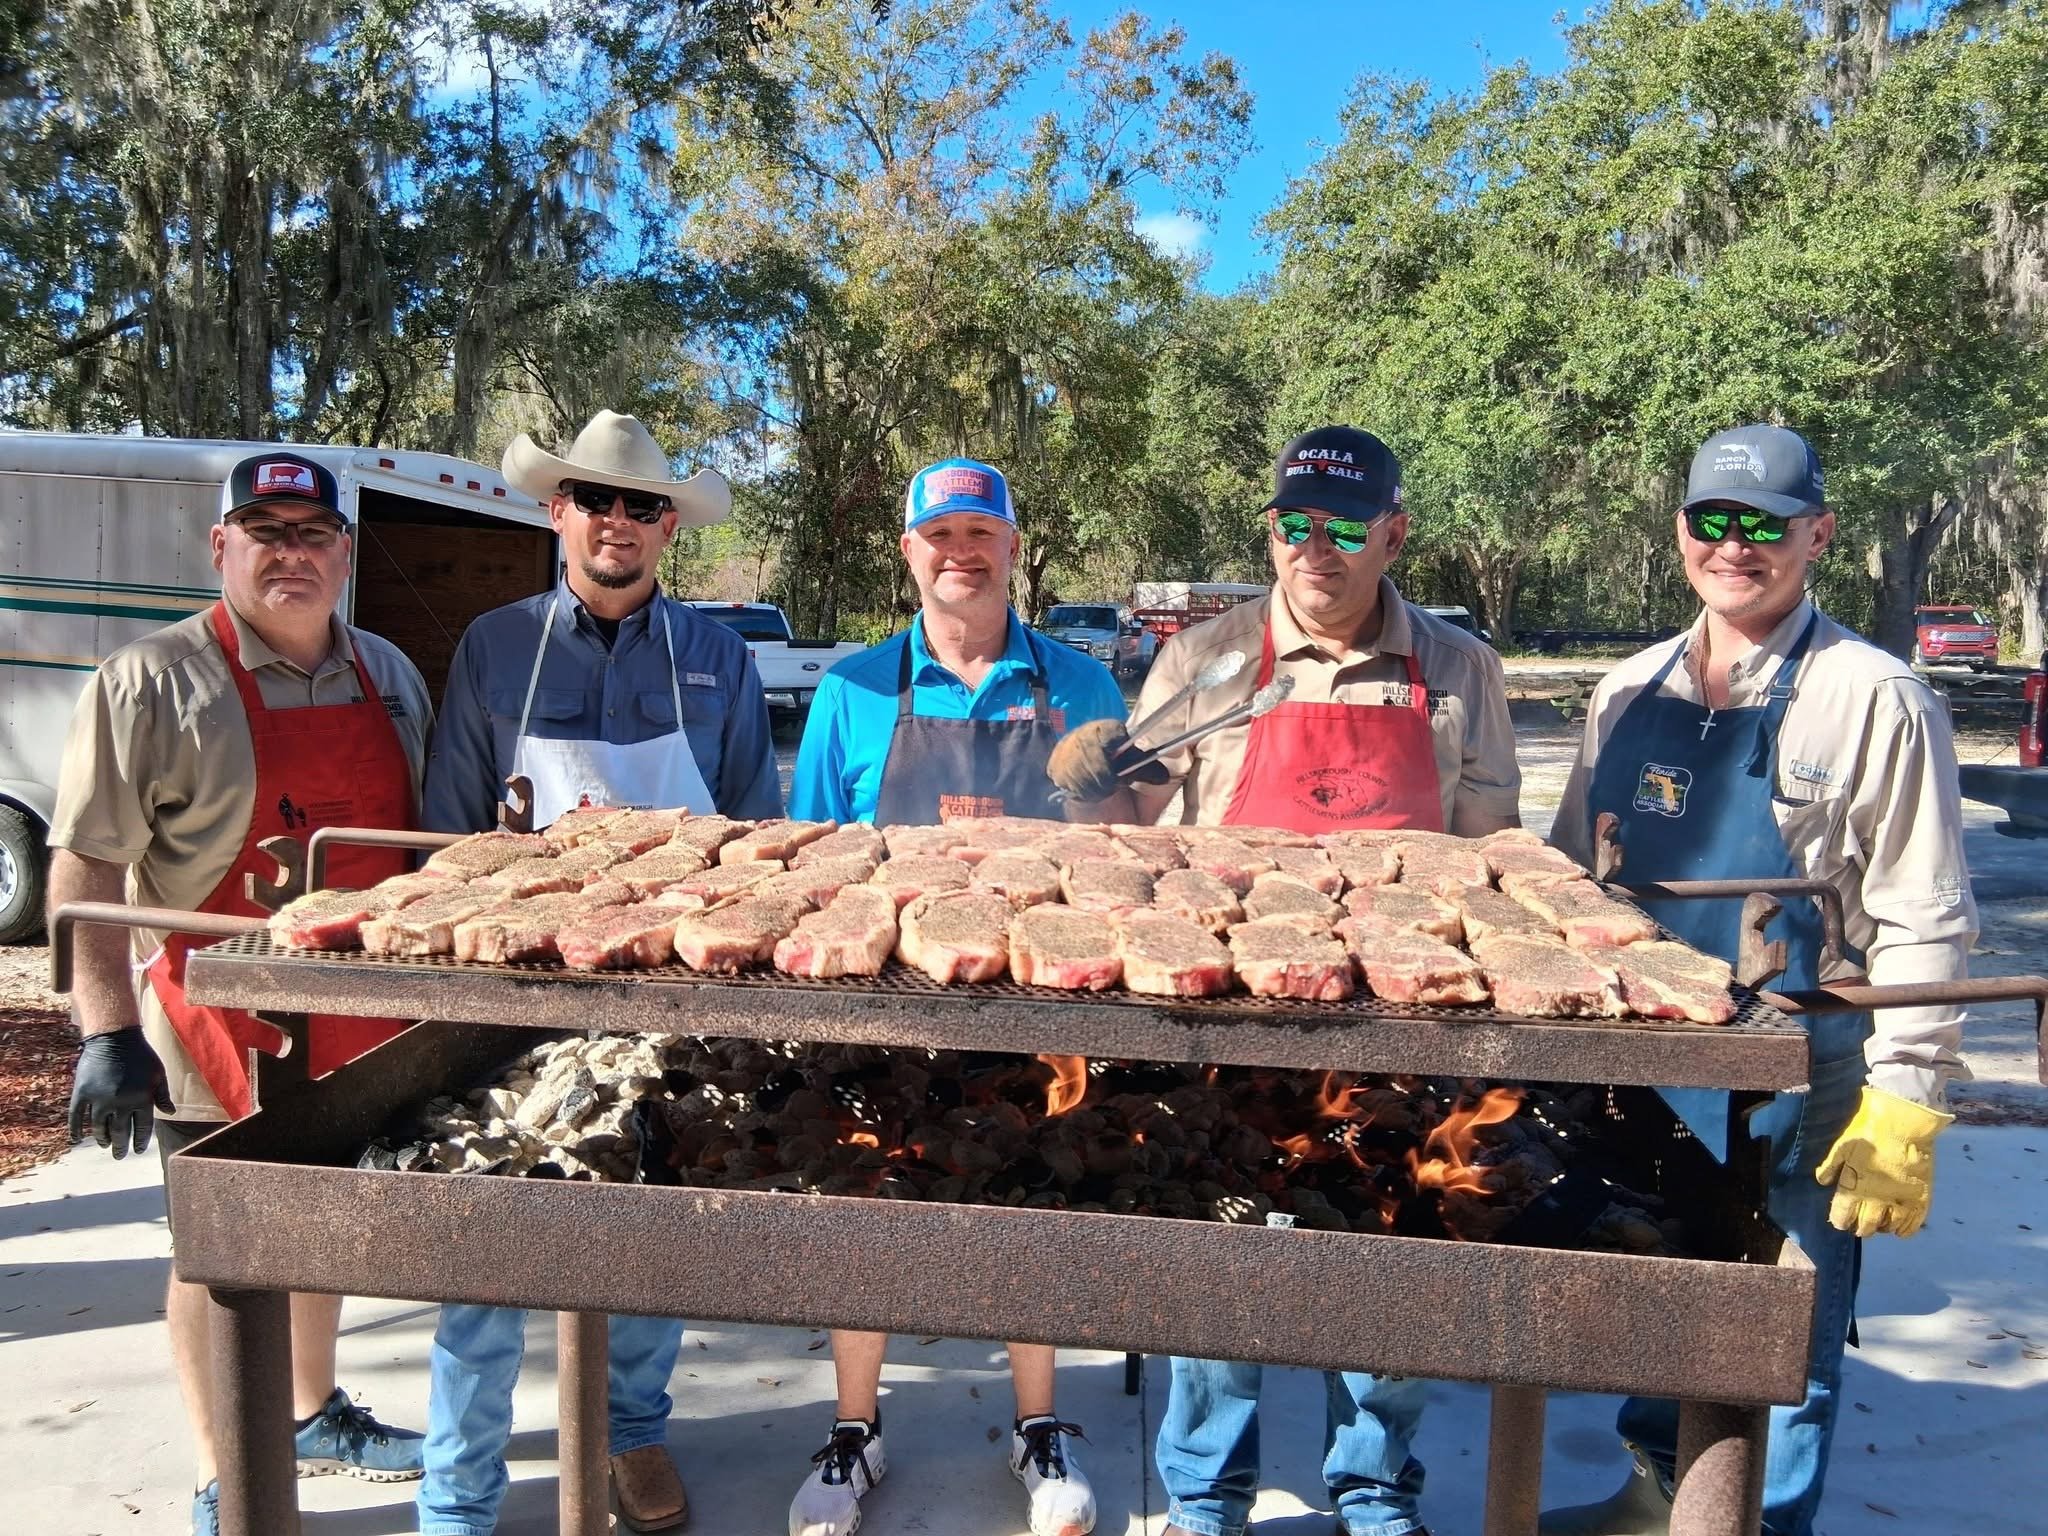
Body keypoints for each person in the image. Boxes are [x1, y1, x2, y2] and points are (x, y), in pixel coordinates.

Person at [1060, 425, 1522, 1536]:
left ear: (1393, 534)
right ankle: (1205, 1498)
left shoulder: (1459, 670)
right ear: (1270, 533)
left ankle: (1371, 1489)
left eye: (1344, 524)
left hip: (1398, 1028)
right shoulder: (1205, 661)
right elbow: (1134, 839)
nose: (1314, 547)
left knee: (1394, 1259)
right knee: (1220, 1257)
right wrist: (1084, 787)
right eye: (1291, 525)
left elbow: (1488, 851)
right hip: (1232, 1027)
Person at [1542, 425, 1976, 1536]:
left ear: (1815, 536)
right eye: (1712, 522)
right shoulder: (1626, 686)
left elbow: (1924, 911)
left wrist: (1908, 1094)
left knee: (1782, 1324)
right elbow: (1567, 879)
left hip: (1803, 1066)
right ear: (1681, 530)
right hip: (1646, 1058)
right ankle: (1655, 1496)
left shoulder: (1874, 697)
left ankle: (1752, 1523)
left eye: (1765, 527)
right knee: (1660, 1292)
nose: (1734, 547)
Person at [53, 450, 434, 1536]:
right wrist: (105, 1030)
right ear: (221, 547)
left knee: (326, 1226)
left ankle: (312, 1411)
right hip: (207, 1016)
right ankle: (233, 1467)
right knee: (217, 1254)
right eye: (264, 533)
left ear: (345, 556)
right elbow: (84, 865)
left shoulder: (390, 673)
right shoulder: (152, 680)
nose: (291, 555)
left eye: (312, 536)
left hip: (356, 1016)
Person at [417, 410, 782, 1535]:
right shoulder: (494, 645)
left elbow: (761, 835)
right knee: (479, 1236)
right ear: (555, 510)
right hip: (511, 993)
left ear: (668, 526)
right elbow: (447, 832)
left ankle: (633, 1436)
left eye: (639, 505)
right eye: (594, 500)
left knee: (649, 1216)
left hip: (666, 992)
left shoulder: (718, 656)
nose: (615, 521)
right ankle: (460, 1489)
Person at [786, 456, 1129, 1536]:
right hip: (879, 1012)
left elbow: (1122, 854)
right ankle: (852, 1432)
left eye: (980, 533)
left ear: (1012, 548)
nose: (959, 553)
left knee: (1034, 1201)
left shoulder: (1078, 683)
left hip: (1037, 1009)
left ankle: (1038, 1427)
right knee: (860, 1208)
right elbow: (806, 857)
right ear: (909, 554)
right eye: (939, 536)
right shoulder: (850, 691)